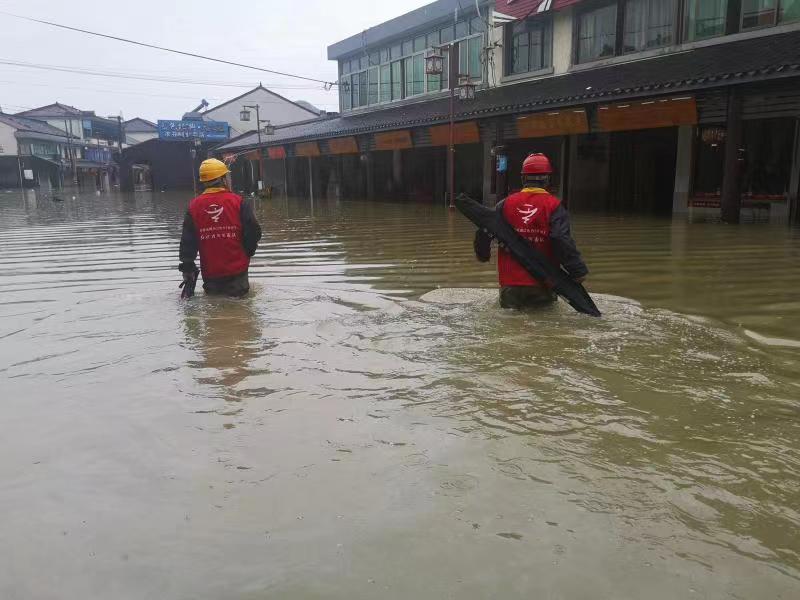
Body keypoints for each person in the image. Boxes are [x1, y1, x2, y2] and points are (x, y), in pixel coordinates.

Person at [474, 153, 588, 310]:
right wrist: (577, 271)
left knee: (509, 329)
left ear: (523, 179)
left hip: (510, 284)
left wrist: (483, 255)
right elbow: (561, 239)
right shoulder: (554, 206)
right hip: (543, 282)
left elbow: (484, 228)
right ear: (548, 179)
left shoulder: (505, 204)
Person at [178, 158, 262, 297]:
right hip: (237, 271)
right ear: (223, 179)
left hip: (211, 273)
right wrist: (248, 252)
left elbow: (188, 242)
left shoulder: (194, 206)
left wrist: (187, 267)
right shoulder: (238, 202)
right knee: (239, 308)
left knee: (214, 304)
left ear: (204, 182)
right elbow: (254, 231)